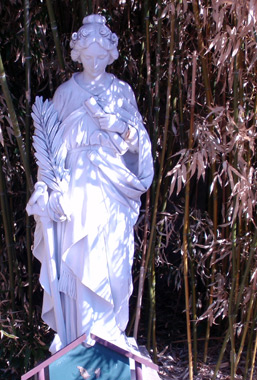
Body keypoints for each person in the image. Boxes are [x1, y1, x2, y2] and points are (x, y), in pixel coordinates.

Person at [28, 14, 153, 353]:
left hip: (113, 187)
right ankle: (79, 334)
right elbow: (50, 149)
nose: (95, 62)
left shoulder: (121, 91)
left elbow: (138, 143)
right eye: (88, 56)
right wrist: (46, 188)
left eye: (101, 56)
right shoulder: (65, 93)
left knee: (114, 260)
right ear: (78, 55)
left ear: (110, 56)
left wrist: (120, 128)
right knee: (79, 257)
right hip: (77, 189)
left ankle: (110, 331)